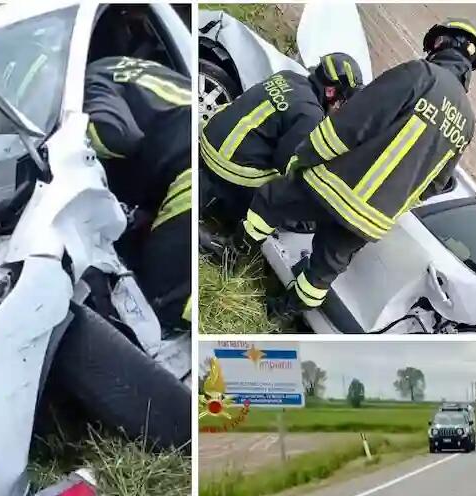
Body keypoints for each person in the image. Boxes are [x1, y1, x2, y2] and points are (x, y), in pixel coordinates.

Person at [243, 19, 476, 318]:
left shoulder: (419, 75)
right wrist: (389, 204)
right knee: (322, 272)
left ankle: (237, 255)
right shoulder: (467, 123)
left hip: (333, 186)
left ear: (441, 44)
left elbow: (353, 122)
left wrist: (305, 155)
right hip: (371, 220)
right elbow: (436, 184)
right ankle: (280, 311)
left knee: (271, 201)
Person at [199, 52, 364, 244]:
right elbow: (286, 162)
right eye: (342, 101)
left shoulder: (288, 76)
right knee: (289, 182)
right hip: (229, 168)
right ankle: (236, 235)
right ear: (330, 92)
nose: (341, 107)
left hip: (208, 142)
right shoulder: (310, 115)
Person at [83, 56, 192, 328]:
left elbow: (117, 135)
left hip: (193, 165)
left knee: (164, 296)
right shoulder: (114, 65)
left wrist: (70, 133)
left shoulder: (90, 81)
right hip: (197, 150)